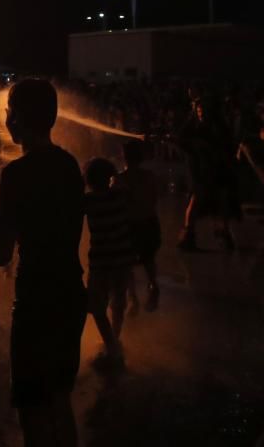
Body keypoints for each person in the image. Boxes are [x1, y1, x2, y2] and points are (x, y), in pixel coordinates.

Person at [0, 78, 87, 447]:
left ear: (17, 119)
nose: (5, 120)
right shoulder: (69, 165)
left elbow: (3, 250)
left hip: (37, 298)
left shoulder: (16, 174)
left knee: (32, 406)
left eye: (8, 114)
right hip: (70, 292)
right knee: (58, 399)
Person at [83, 157, 133, 371]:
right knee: (118, 301)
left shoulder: (88, 201)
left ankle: (111, 345)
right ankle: (114, 338)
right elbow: (124, 185)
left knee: (95, 304)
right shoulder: (120, 196)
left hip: (101, 260)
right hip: (122, 258)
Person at [177, 97, 239, 251]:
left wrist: (208, 148)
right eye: (198, 111)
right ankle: (188, 237)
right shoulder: (194, 126)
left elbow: (226, 148)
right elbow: (183, 140)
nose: (201, 114)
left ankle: (223, 235)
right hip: (202, 173)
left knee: (222, 204)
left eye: (204, 111)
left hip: (219, 171)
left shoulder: (219, 128)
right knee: (195, 201)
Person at [115, 140, 161, 312]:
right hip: (149, 222)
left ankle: (133, 298)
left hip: (129, 226)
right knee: (148, 259)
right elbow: (154, 198)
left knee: (127, 264)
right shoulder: (149, 176)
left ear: (123, 156)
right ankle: (153, 285)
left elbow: (117, 203)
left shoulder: (119, 179)